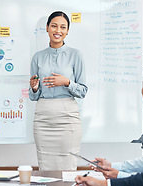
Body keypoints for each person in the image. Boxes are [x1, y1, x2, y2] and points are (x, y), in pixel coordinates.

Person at [29, 11, 88, 171]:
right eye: (54, 26)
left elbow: (82, 91)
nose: (58, 30)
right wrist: (34, 88)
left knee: (68, 167)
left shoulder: (76, 55)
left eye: (63, 27)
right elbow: (33, 96)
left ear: (67, 31)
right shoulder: (37, 57)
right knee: (45, 167)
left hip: (67, 116)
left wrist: (67, 82)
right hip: (43, 117)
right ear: (47, 28)